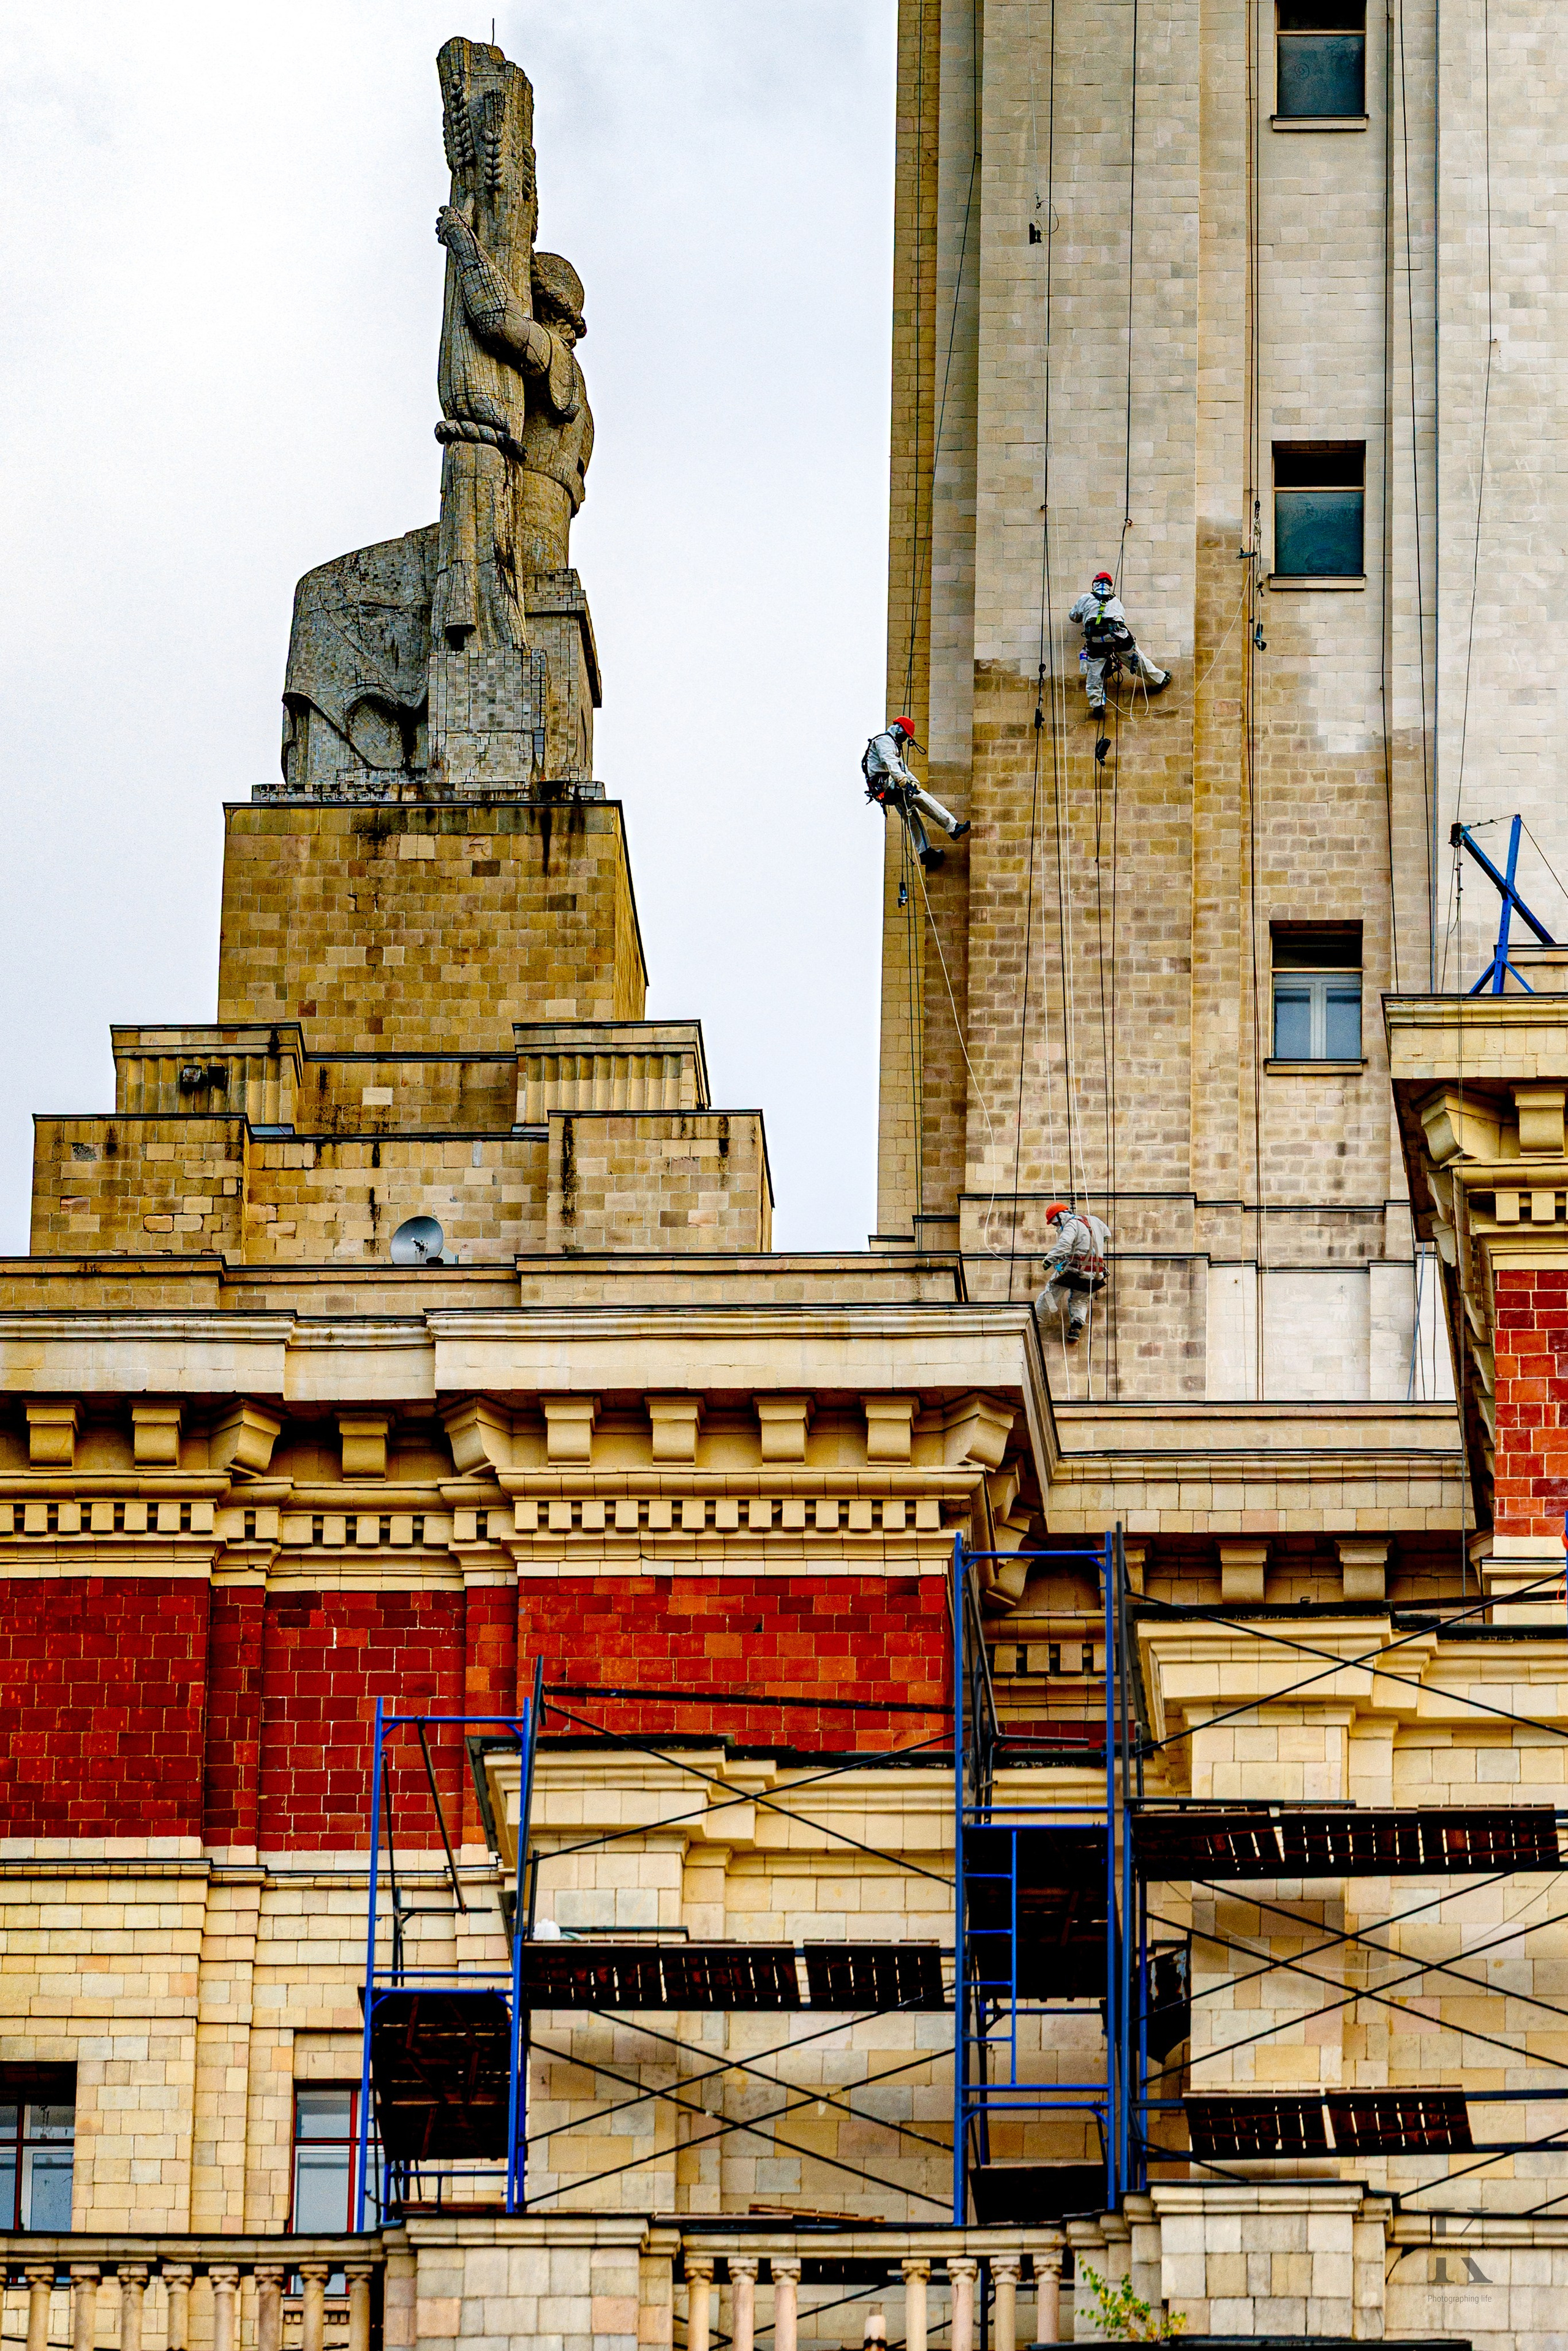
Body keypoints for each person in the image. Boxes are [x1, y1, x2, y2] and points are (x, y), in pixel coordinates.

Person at [863, 718, 971, 870]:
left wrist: (913, 781)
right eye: (904, 735)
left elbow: (903, 768)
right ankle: (953, 827)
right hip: (887, 785)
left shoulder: (893, 745)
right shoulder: (884, 741)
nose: (904, 739)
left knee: (912, 817)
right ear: (897, 729)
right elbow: (890, 763)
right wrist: (903, 781)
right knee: (920, 796)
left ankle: (926, 853)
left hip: (889, 788)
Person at [1068, 572, 1170, 714]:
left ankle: (1097, 704)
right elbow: (1120, 618)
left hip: (1096, 641)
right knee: (1136, 659)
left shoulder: (1086, 598)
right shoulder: (1116, 601)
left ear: (1094, 584)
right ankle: (1160, 679)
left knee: (1094, 672)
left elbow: (1074, 617)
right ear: (1109, 585)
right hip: (1118, 638)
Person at [1033, 1201, 1110, 1346]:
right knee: (1080, 1300)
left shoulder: (1071, 1224)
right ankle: (1076, 1327)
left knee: (1052, 1290)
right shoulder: (1095, 1220)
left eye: (1056, 1224)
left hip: (1075, 1269)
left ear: (1060, 1217)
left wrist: (1049, 1260)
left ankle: (1037, 1318)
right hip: (1095, 1273)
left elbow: (1064, 1245)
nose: (1057, 1227)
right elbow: (1107, 1235)